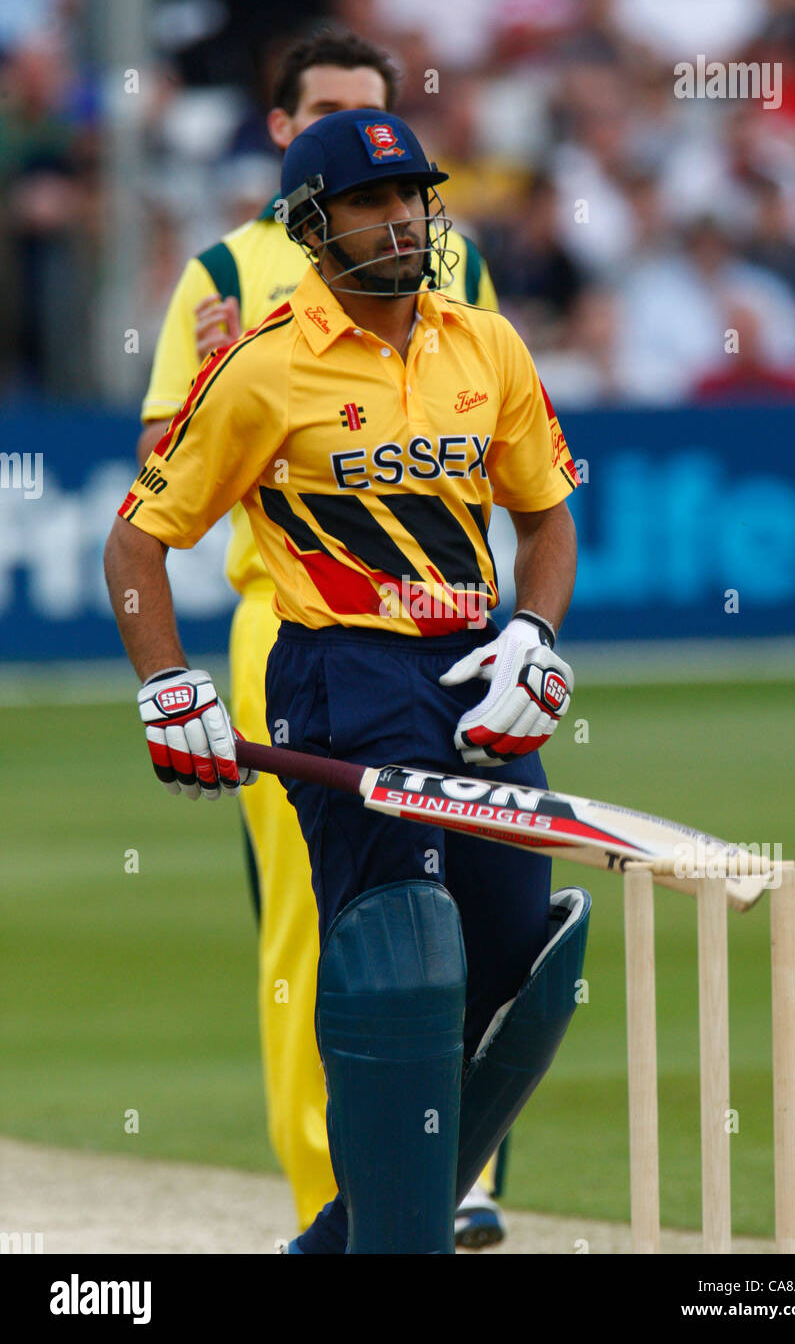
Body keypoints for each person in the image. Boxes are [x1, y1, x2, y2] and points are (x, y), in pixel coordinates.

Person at [104, 107, 587, 1254]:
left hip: (475, 667)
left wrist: (534, 630)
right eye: (369, 204)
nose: (400, 221)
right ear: (311, 228)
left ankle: (338, 1246)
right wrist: (167, 683)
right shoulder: (263, 363)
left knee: (526, 971)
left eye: (411, 198)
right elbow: (137, 540)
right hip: (344, 672)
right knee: (402, 960)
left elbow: (548, 516)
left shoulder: (487, 345)